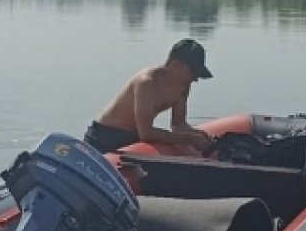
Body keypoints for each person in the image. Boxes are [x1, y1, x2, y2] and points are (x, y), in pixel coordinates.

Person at [83, 38, 214, 154]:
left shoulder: (183, 86)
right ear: (175, 65)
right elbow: (146, 133)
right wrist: (189, 138)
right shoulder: (146, 83)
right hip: (105, 137)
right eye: (193, 73)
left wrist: (199, 136)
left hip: (133, 139)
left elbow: (178, 124)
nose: (195, 79)